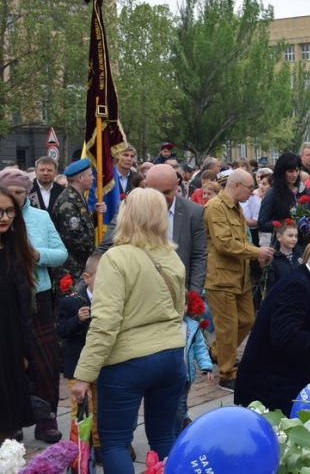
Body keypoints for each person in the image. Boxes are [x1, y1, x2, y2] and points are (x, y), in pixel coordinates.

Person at [70, 188, 186, 473]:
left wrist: (84, 375)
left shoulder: (115, 258)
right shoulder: (172, 256)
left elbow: (105, 323)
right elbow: (179, 309)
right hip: (171, 356)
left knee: (115, 443)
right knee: (164, 437)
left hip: (127, 361)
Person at [233, 240, 310, 414]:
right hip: (266, 390)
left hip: (287, 375)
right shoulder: (297, 286)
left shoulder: (308, 283)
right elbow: (286, 338)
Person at [0, 169, 68, 443]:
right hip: (9, 306)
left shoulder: (40, 218)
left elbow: (61, 253)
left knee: (41, 363)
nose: (6, 213)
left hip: (35, 299)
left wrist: (35, 255)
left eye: (18, 194)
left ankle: (45, 418)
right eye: (8, 192)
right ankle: (11, 421)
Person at [203, 170, 275, 392]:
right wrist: (256, 252)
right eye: (249, 187)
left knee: (246, 320)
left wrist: (255, 257)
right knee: (226, 328)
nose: (252, 192)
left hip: (239, 276)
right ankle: (227, 374)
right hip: (221, 278)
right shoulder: (215, 208)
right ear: (235, 185)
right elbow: (224, 243)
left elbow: (242, 239)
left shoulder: (236, 209)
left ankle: (217, 353)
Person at [98, 164, 208, 295]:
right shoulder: (128, 207)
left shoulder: (194, 212)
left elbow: (199, 256)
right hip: (138, 292)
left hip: (177, 293)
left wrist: (193, 296)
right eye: (156, 192)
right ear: (145, 185)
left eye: (167, 192)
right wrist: (81, 289)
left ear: (177, 184)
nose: (161, 198)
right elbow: (105, 247)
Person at [0, 184, 38, 442]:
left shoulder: (16, 246)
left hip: (10, 334)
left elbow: (24, 302)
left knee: (8, 411)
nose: (4, 218)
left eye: (9, 212)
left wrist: (26, 349)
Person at [57, 254, 101, 458]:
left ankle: (99, 447)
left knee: (100, 408)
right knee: (81, 409)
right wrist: (77, 320)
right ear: (87, 278)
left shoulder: (113, 299)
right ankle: (79, 450)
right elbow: (62, 331)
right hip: (77, 366)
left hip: (101, 366)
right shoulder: (71, 302)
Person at [52, 159, 105, 282]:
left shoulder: (77, 196)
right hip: (71, 267)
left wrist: (96, 215)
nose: (93, 179)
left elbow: (86, 225)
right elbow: (75, 237)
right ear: (80, 178)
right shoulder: (68, 201)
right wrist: (96, 255)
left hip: (79, 264)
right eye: (90, 175)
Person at [174, 292, 213, 437]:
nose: (182, 308)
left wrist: (206, 366)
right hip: (169, 374)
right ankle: (180, 426)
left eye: (184, 304)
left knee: (181, 400)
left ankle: (181, 425)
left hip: (185, 375)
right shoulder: (165, 326)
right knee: (177, 404)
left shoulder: (191, 327)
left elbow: (200, 348)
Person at [268, 219, 304, 288]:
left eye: (296, 236)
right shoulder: (274, 258)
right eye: (290, 236)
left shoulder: (300, 254)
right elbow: (270, 282)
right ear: (279, 237)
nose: (294, 239)